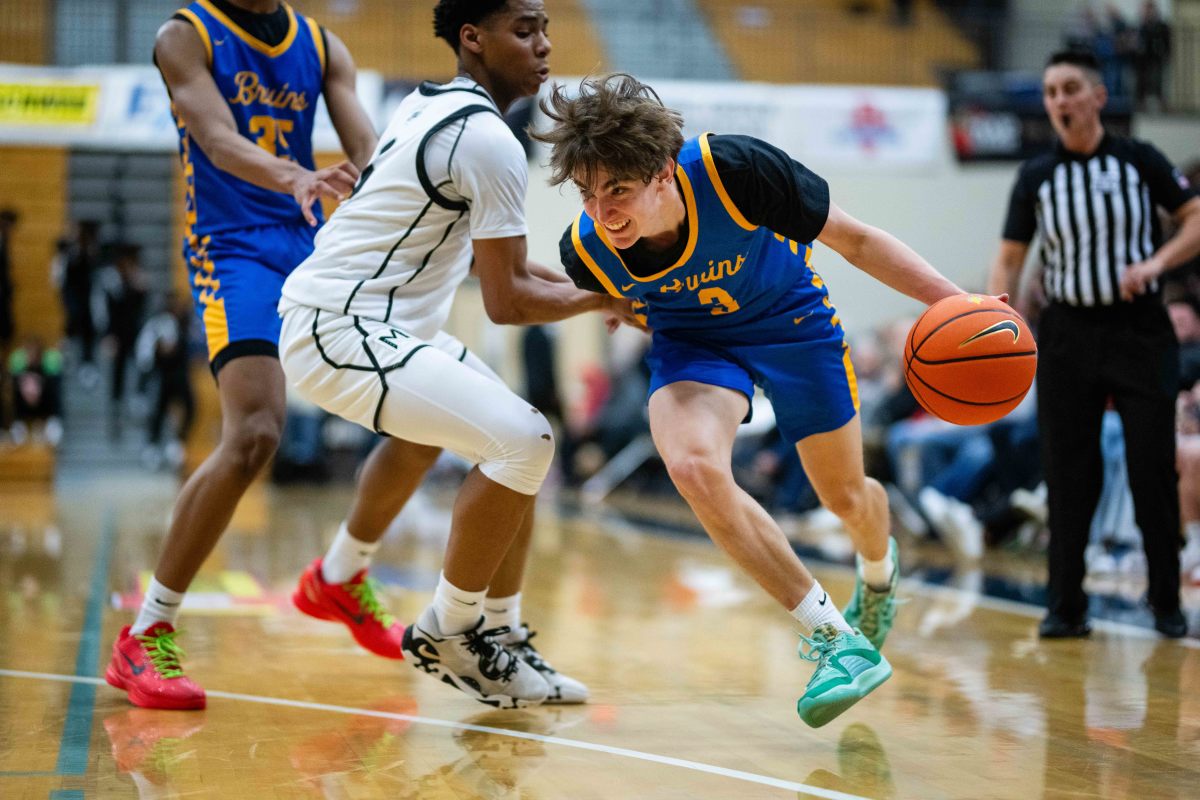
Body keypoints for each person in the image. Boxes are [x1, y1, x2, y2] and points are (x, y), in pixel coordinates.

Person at [532, 73, 967, 727]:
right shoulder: (589, 249)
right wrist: (611, 303)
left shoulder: (734, 170)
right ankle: (835, 641)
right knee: (694, 467)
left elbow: (857, 240)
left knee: (845, 498)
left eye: (617, 191)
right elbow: (603, 294)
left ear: (662, 175)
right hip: (697, 346)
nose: (601, 212)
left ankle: (878, 575)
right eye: (588, 194)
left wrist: (957, 303)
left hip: (791, 323)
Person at [278, 0, 636, 708]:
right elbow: (506, 303)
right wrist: (606, 300)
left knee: (515, 435)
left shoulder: (432, 104)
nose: (544, 46)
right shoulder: (487, 140)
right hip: (339, 325)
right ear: (473, 38)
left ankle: (491, 636)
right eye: (525, 31)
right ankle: (451, 628)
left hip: (379, 326)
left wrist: (608, 289)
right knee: (524, 440)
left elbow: (520, 272)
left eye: (545, 30)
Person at [104, 0, 379, 710]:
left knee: (410, 387)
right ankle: (147, 632)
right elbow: (219, 141)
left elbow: (371, 153)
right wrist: (294, 175)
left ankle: (345, 576)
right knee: (255, 433)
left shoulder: (322, 47)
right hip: (235, 248)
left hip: (314, 238)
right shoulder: (184, 36)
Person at [987, 50, 1200, 639]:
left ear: (1098, 97)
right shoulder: (1036, 176)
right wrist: (993, 322)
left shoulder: (1141, 160)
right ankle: (1065, 605)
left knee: (1151, 467)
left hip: (1139, 331)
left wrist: (1157, 261)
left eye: (1070, 88)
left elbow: (1195, 217)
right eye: (1051, 91)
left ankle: (1164, 600)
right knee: (1068, 471)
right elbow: (1008, 259)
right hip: (1067, 336)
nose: (1059, 101)